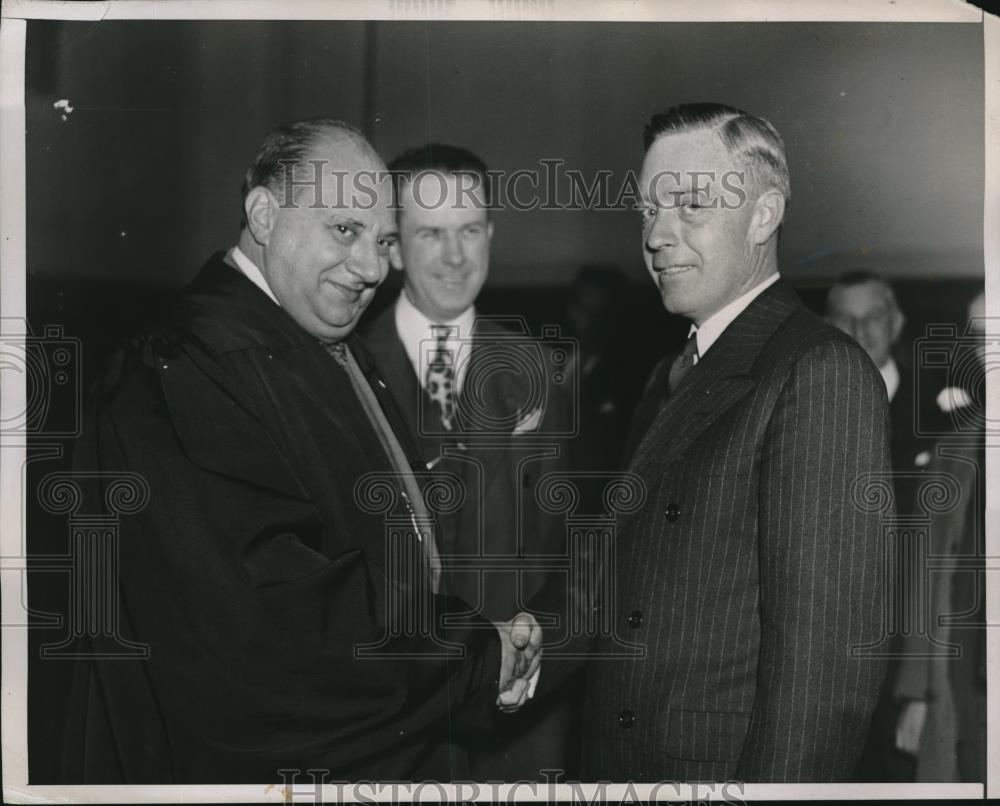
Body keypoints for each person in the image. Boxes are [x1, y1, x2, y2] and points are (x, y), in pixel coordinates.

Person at [57, 119, 541, 784]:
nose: (372, 268)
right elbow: (273, 616)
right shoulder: (188, 363)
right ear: (263, 214)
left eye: (384, 241)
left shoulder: (317, 346)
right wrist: (471, 654)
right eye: (344, 230)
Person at [572, 103, 893, 782]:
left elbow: (823, 676)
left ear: (763, 214)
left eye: (689, 204)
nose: (658, 235)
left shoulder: (817, 370)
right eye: (647, 210)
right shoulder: (672, 372)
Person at [358, 144, 573, 780]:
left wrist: (537, 647)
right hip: (389, 723)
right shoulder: (346, 368)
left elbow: (557, 549)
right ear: (393, 246)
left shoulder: (540, 370)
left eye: (470, 231)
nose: (456, 257)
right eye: (431, 234)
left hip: (517, 723)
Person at [825, 270, 939, 781]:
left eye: (872, 317)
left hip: (907, 642)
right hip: (827, 649)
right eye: (846, 319)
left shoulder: (941, 413)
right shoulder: (810, 409)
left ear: (896, 322)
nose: (860, 331)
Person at [891, 289, 986, 782]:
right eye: (979, 335)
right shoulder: (953, 446)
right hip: (957, 683)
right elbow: (926, 578)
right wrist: (914, 695)